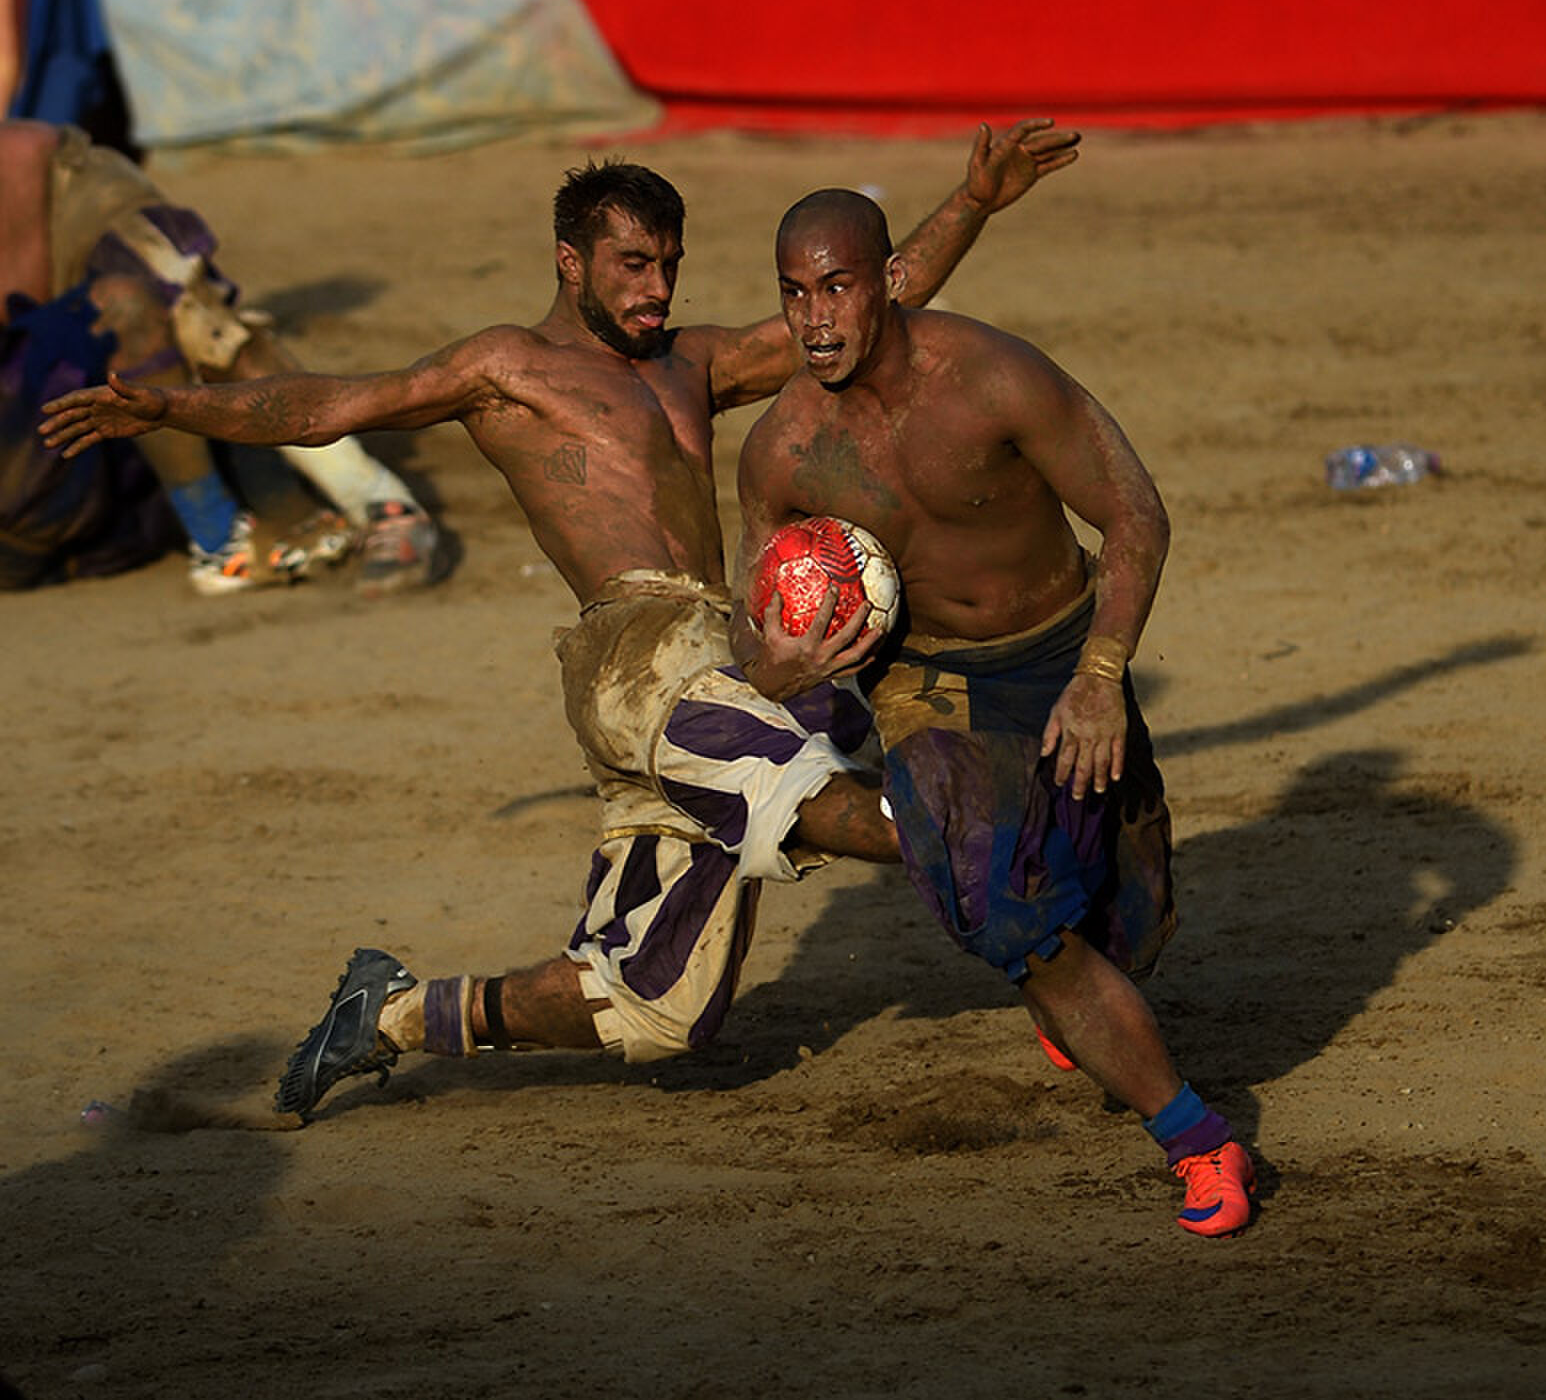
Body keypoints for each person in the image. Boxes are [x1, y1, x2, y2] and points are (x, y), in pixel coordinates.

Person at [40, 120, 1081, 1117]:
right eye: (631, 263)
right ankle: (1057, 937)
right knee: (871, 803)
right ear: (569, 261)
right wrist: (174, 408)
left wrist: (974, 201)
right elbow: (333, 404)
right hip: (635, 660)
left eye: (667, 263)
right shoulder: (507, 368)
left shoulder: (691, 361)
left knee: (653, 1008)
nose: (655, 288)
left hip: (718, 656)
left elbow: (862, 303)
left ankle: (393, 1011)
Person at [731, 188, 1254, 1238]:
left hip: (1065, 660)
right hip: (926, 684)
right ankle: (1198, 1140)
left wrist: (1102, 673)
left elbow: (1132, 512)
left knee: (1131, 929)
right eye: (793, 294)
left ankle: (1073, 989)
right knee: (1012, 922)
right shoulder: (782, 449)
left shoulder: (991, 378)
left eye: (835, 286)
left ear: (886, 279)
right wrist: (774, 668)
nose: (815, 318)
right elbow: (749, 628)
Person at [1, 118, 443, 595]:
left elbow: (21, 304)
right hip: (45, 460)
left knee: (185, 310)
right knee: (154, 312)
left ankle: (372, 501)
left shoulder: (24, 155)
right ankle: (228, 530)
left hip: (71, 377)